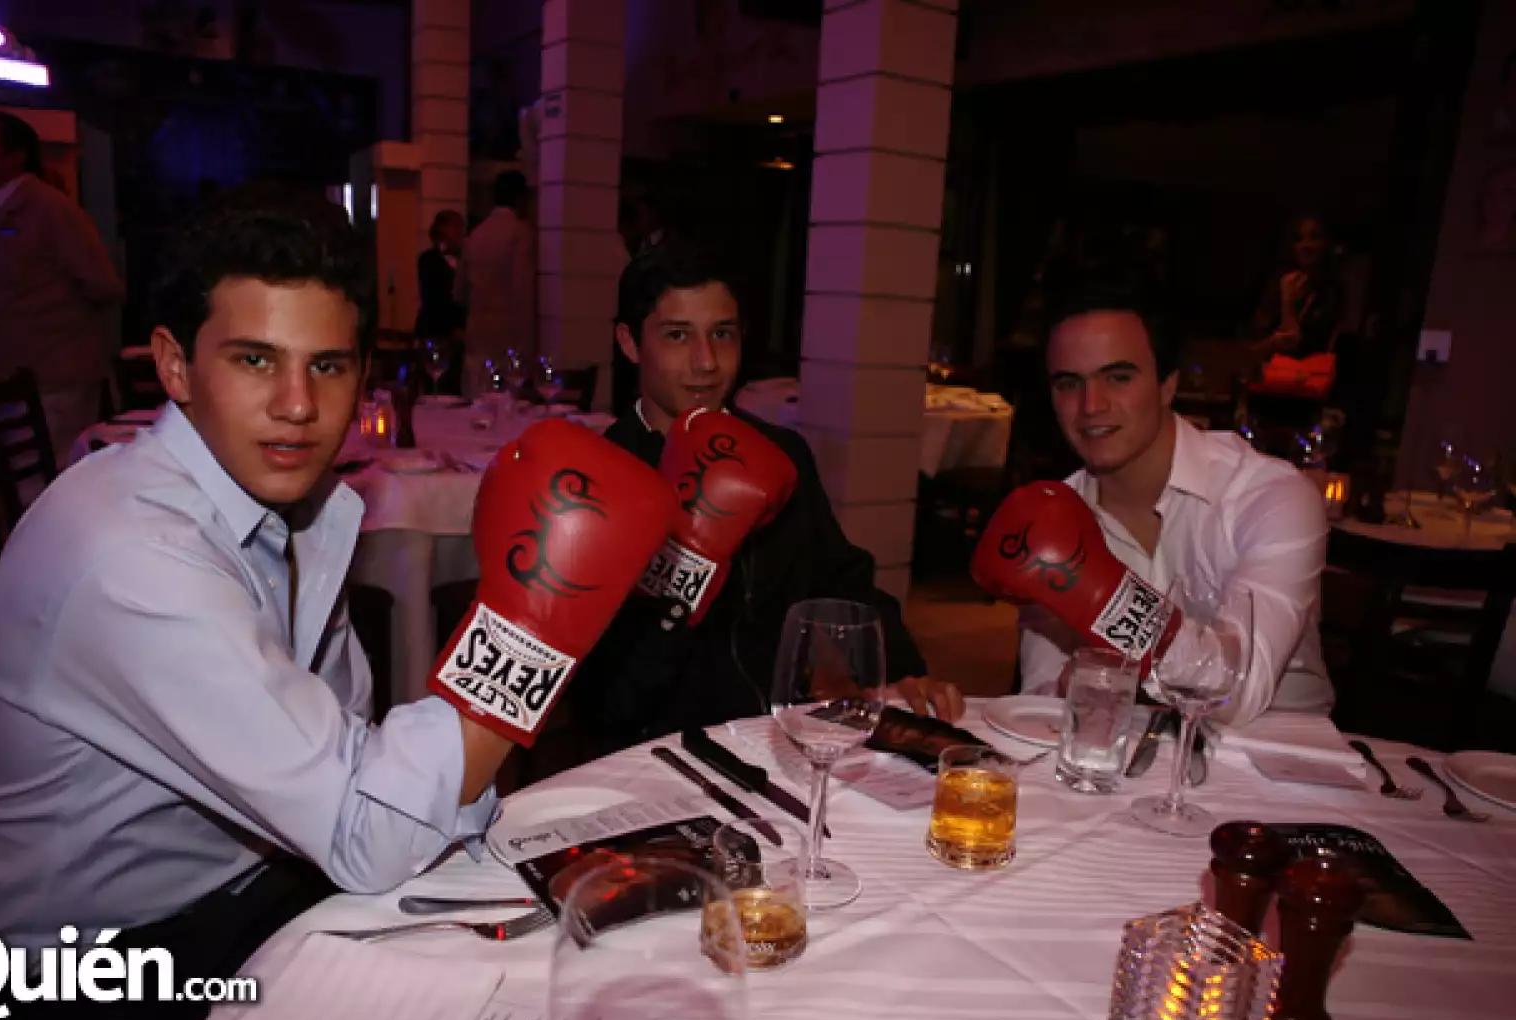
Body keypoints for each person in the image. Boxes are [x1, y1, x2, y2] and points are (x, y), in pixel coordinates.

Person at [0, 189, 659, 1020]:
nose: (297, 404)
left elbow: (353, 759)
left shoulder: (293, 509)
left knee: (558, 982)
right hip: (75, 976)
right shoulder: (132, 554)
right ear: (174, 366)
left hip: (240, 886)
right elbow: (366, 830)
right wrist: (530, 630)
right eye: (254, 360)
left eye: (328, 366)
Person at [569, 240, 963, 756]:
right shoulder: (598, 481)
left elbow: (840, 578)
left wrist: (905, 669)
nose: (706, 362)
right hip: (655, 754)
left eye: (722, 334)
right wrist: (686, 572)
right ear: (629, 342)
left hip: (778, 740)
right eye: (678, 335)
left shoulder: (780, 453)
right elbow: (603, 706)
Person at [1014, 275, 1333, 724]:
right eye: (1069, 383)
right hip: (1121, 753)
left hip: (1280, 755)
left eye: (1118, 377)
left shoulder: (1271, 496)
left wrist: (1100, 597)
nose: (1091, 406)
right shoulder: (1052, 517)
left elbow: (1241, 686)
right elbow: (1043, 706)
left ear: (1168, 384)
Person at [0, 110, 125, 465]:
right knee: (18, 478)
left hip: (54, 377)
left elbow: (103, 284)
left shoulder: (50, 209)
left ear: (16, 155)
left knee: (50, 479)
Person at [454, 169, 536, 370]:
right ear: (520, 198)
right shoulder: (520, 232)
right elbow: (523, 291)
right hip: (507, 337)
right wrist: (527, 347)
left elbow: (458, 292)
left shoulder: (476, 234)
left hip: (476, 335)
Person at [1249, 215, 1345, 361]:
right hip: (1270, 368)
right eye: (1299, 239)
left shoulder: (1332, 290)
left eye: (1314, 237)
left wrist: (1288, 302)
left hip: (1307, 370)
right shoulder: (1279, 282)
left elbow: (1294, 346)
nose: (1306, 245)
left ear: (1326, 243)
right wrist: (1270, 344)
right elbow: (1255, 343)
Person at [415, 208, 465, 339]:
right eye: (456, 227)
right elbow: (435, 298)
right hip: (436, 330)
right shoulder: (429, 260)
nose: (461, 232)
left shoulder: (464, 260)